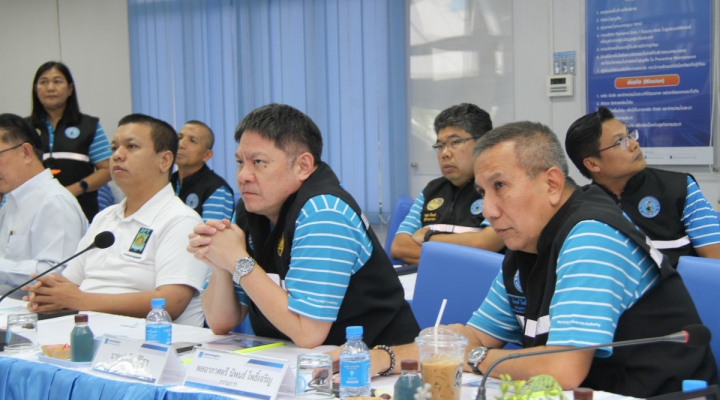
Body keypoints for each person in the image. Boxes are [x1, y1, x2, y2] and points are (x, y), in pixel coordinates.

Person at [360, 121, 716, 398]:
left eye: (500, 186)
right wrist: (384, 357)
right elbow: (476, 335)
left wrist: (473, 358)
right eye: (483, 192)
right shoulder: (527, 243)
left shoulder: (592, 236)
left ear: (552, 184)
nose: (488, 210)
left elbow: (563, 368)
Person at [189, 104, 419, 348]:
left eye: (258, 162)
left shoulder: (324, 212)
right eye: (239, 162)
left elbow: (308, 333)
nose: (243, 175)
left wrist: (238, 261)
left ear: (303, 166)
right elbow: (221, 322)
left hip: (373, 362)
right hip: (293, 360)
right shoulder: (250, 209)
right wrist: (221, 262)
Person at [24, 114, 209, 326]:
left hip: (149, 340)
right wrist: (48, 295)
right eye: (114, 148)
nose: (117, 155)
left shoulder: (181, 220)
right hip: (89, 331)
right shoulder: (105, 218)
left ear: (164, 160)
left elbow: (172, 303)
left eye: (131, 147)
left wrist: (81, 300)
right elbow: (70, 283)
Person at [565, 107, 720, 267]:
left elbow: (715, 262)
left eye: (629, 135)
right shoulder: (582, 207)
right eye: (620, 142)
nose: (634, 144)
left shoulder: (680, 187)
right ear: (592, 164)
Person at [390, 103, 503, 264]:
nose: (444, 153)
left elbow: (485, 243)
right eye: (440, 146)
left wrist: (429, 237)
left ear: (483, 144)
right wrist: (460, 254)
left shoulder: (499, 188)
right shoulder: (430, 191)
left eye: (454, 142)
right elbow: (399, 247)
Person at [0, 114, 87, 297]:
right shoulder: (11, 202)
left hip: (37, 312)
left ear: (26, 152)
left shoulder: (55, 202)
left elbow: (57, 274)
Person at [27, 61, 113, 221]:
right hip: (33, 212)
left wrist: (74, 190)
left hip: (80, 211)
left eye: (57, 81)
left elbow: (107, 169)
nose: (50, 88)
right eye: (44, 82)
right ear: (35, 89)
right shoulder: (24, 128)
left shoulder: (89, 126)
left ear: (70, 89)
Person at [170, 120, 234, 221]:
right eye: (179, 138)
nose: (181, 144)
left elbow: (211, 230)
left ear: (207, 155)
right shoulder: (166, 182)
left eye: (192, 141)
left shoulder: (216, 189)